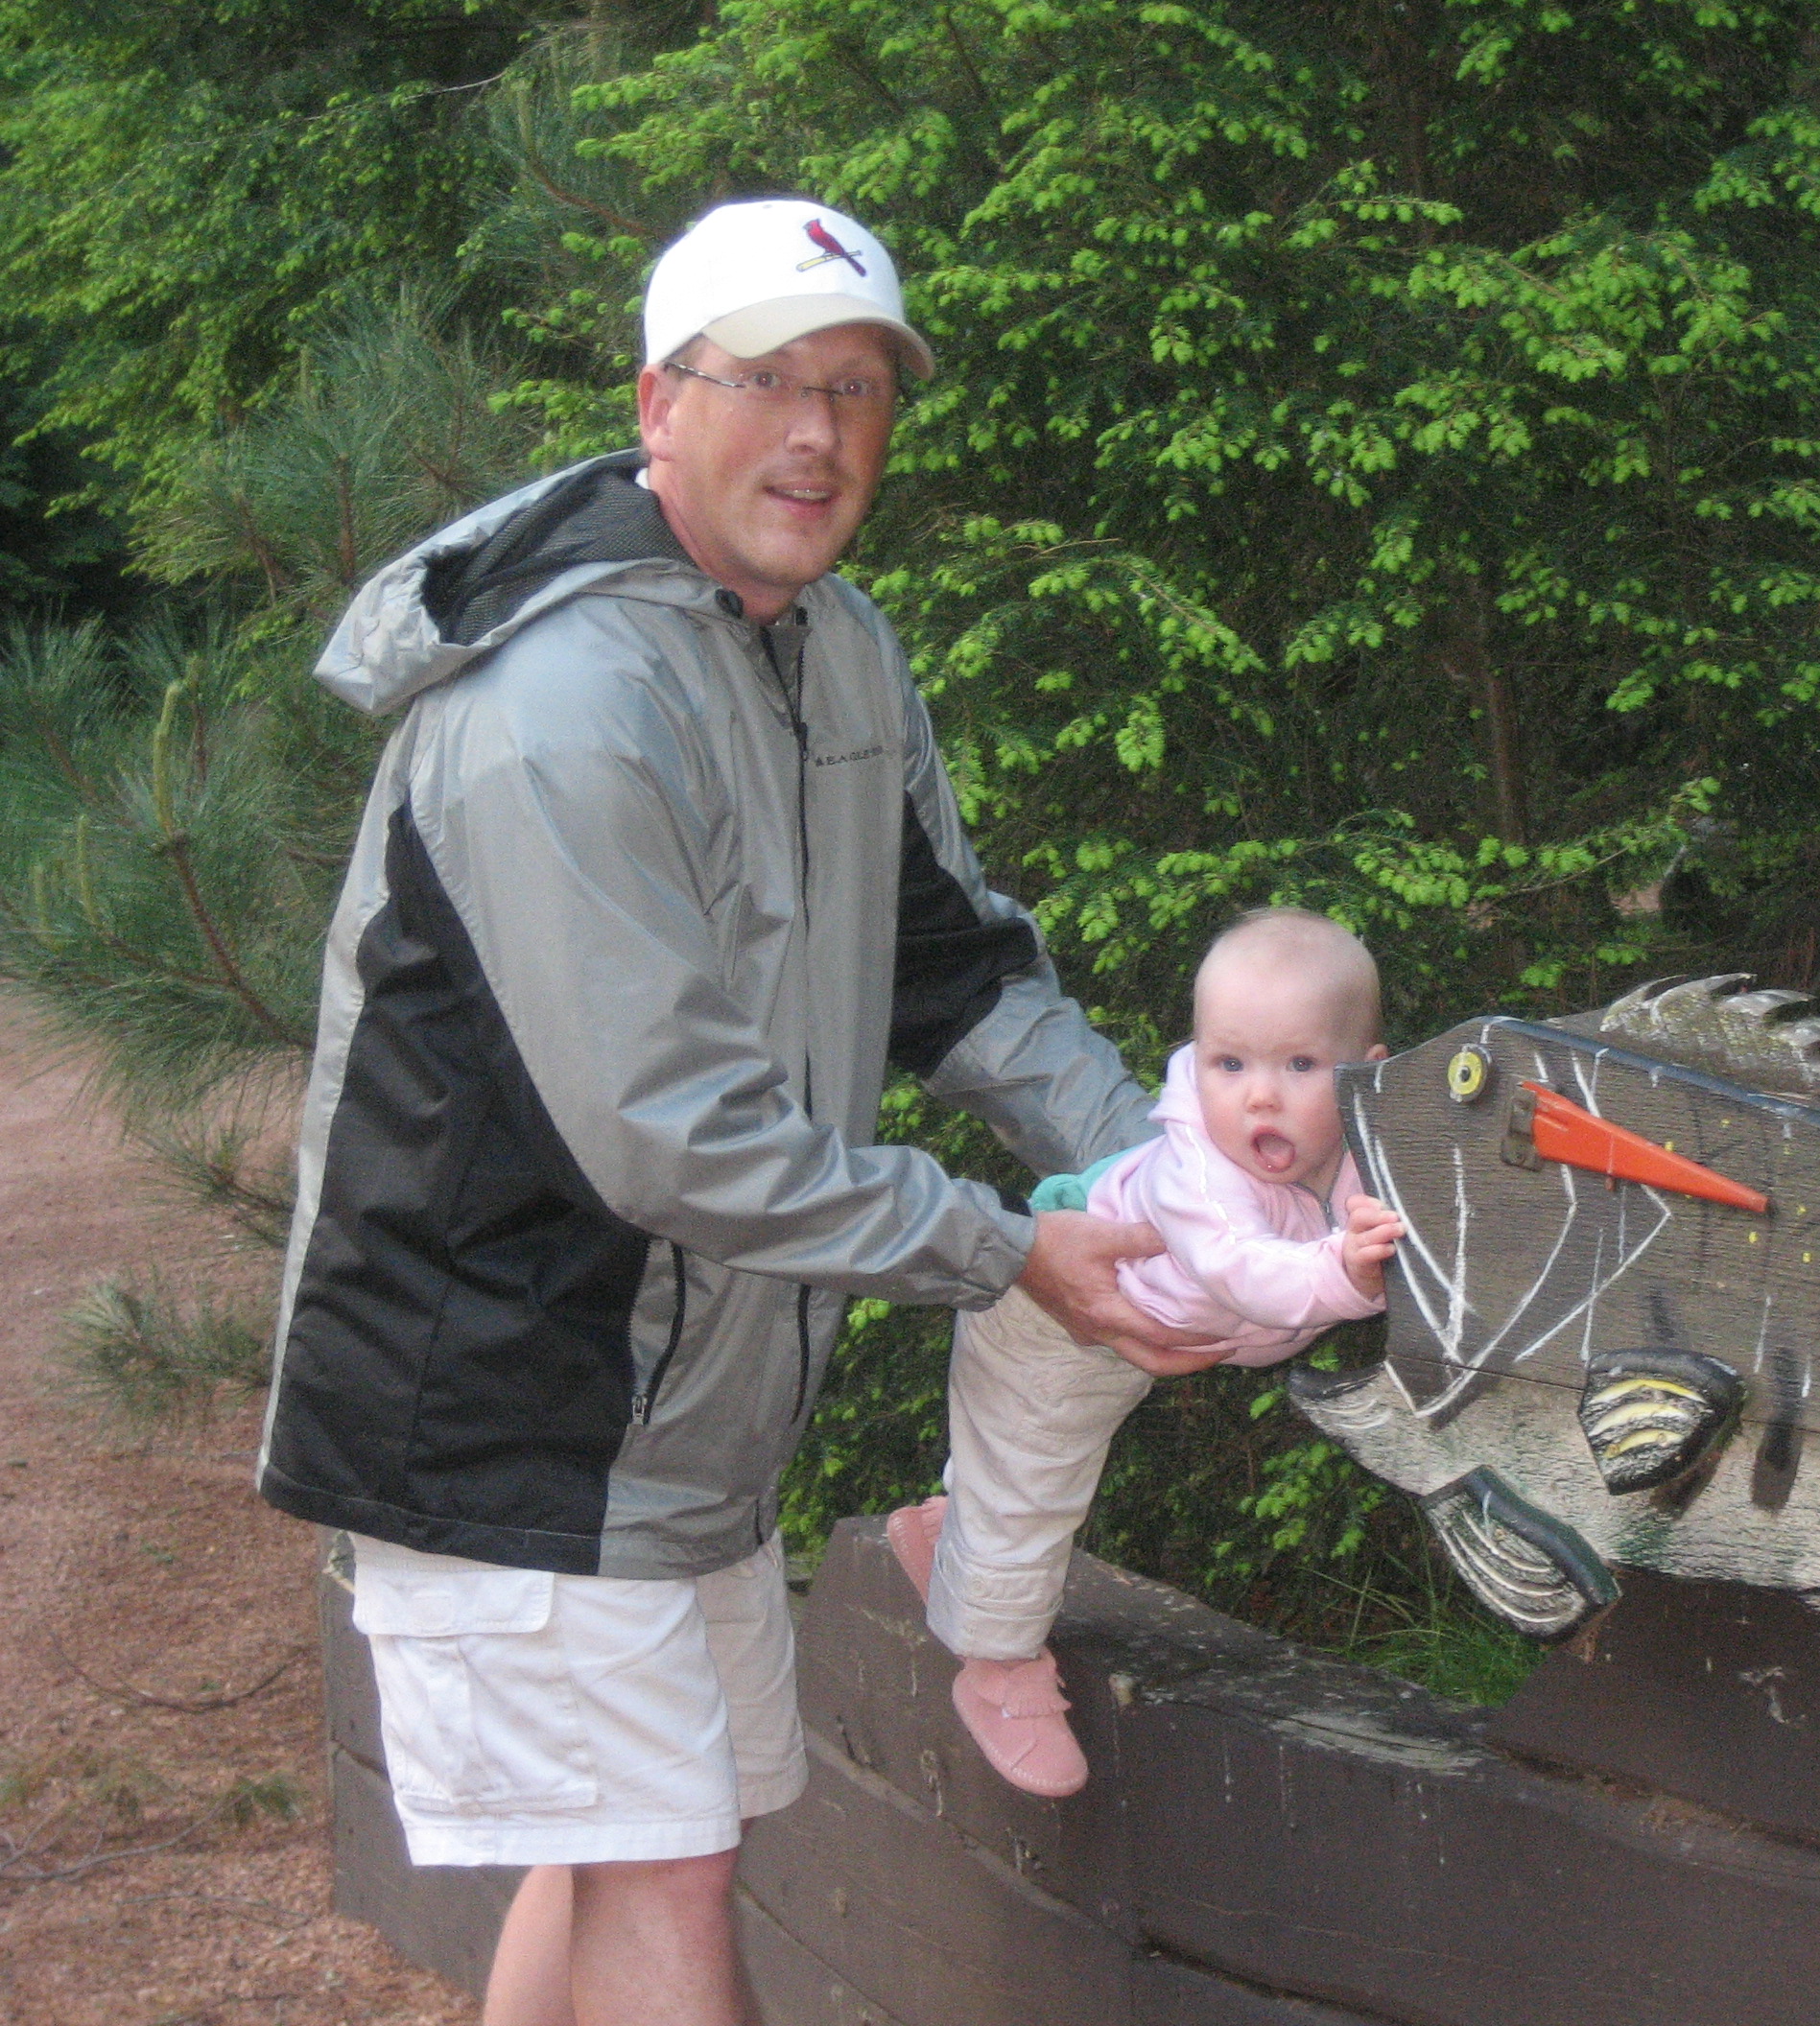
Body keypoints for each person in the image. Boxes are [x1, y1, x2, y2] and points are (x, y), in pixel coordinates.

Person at [254, 198, 1217, 2026]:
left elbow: (954, 970)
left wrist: (1161, 1174)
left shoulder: (835, 650)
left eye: (856, 389)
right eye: (766, 380)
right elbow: (668, 1132)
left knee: (622, 1851)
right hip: (506, 1404)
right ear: (658, 404)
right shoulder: (556, 703)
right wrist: (1012, 1251)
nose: (816, 433)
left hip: (671, 1419)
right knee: (666, 1872)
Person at [886, 908, 1404, 1797]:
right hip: (1051, 1313)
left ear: (1369, 1071)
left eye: (1300, 1065)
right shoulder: (1199, 1172)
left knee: (1014, 1471)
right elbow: (1242, 1271)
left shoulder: (1362, 1143)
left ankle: (948, 1535)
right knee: (1033, 1475)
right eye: (1229, 1064)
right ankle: (996, 1666)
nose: (1259, 1097)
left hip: (1136, 1328)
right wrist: (1347, 1272)